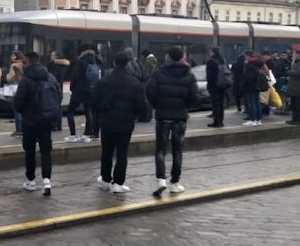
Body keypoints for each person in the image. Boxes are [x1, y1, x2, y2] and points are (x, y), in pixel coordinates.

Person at [145, 46, 198, 197]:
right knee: (177, 150)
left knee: (160, 149)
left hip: (163, 116)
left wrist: (157, 105)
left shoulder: (158, 72)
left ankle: (161, 180)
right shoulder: (189, 74)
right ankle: (175, 183)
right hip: (180, 117)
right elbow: (194, 97)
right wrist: (185, 107)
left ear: (168, 56)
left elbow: (150, 91)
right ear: (182, 57)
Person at [93, 52, 147, 193]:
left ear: (114, 63)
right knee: (122, 154)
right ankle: (118, 183)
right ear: (128, 64)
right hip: (125, 124)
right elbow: (141, 106)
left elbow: (94, 101)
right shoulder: (134, 83)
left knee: (106, 152)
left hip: (107, 123)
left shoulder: (104, 81)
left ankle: (105, 180)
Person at [14, 51, 62, 196]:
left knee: (30, 151)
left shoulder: (25, 80)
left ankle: (30, 181)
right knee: (46, 151)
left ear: (28, 62)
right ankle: (47, 181)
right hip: (46, 121)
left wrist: (25, 112)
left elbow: (18, 103)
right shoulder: (50, 77)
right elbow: (59, 96)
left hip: (30, 121)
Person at [65, 45, 100, 143]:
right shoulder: (94, 61)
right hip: (91, 90)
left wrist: (72, 88)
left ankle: (72, 135)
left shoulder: (80, 62)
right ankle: (86, 135)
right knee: (88, 111)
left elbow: (75, 76)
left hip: (79, 90)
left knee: (70, 111)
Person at [205, 46, 228, 128]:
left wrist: (209, 85)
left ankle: (216, 122)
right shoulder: (223, 60)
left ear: (212, 52)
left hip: (214, 85)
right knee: (221, 103)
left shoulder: (211, 61)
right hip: (223, 84)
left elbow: (209, 75)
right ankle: (221, 121)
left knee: (215, 104)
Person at [46, 51, 70, 131]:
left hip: (55, 88)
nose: (50, 57)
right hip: (59, 88)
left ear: (56, 56)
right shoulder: (61, 65)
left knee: (54, 107)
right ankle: (58, 125)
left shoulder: (56, 66)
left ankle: (55, 125)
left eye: (52, 55)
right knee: (58, 107)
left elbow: (54, 77)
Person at [6, 51, 26, 137]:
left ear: (17, 57)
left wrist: (7, 75)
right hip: (24, 87)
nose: (11, 57)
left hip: (16, 88)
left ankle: (19, 129)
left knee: (17, 110)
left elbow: (10, 78)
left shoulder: (14, 65)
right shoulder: (24, 64)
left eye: (13, 56)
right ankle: (24, 129)